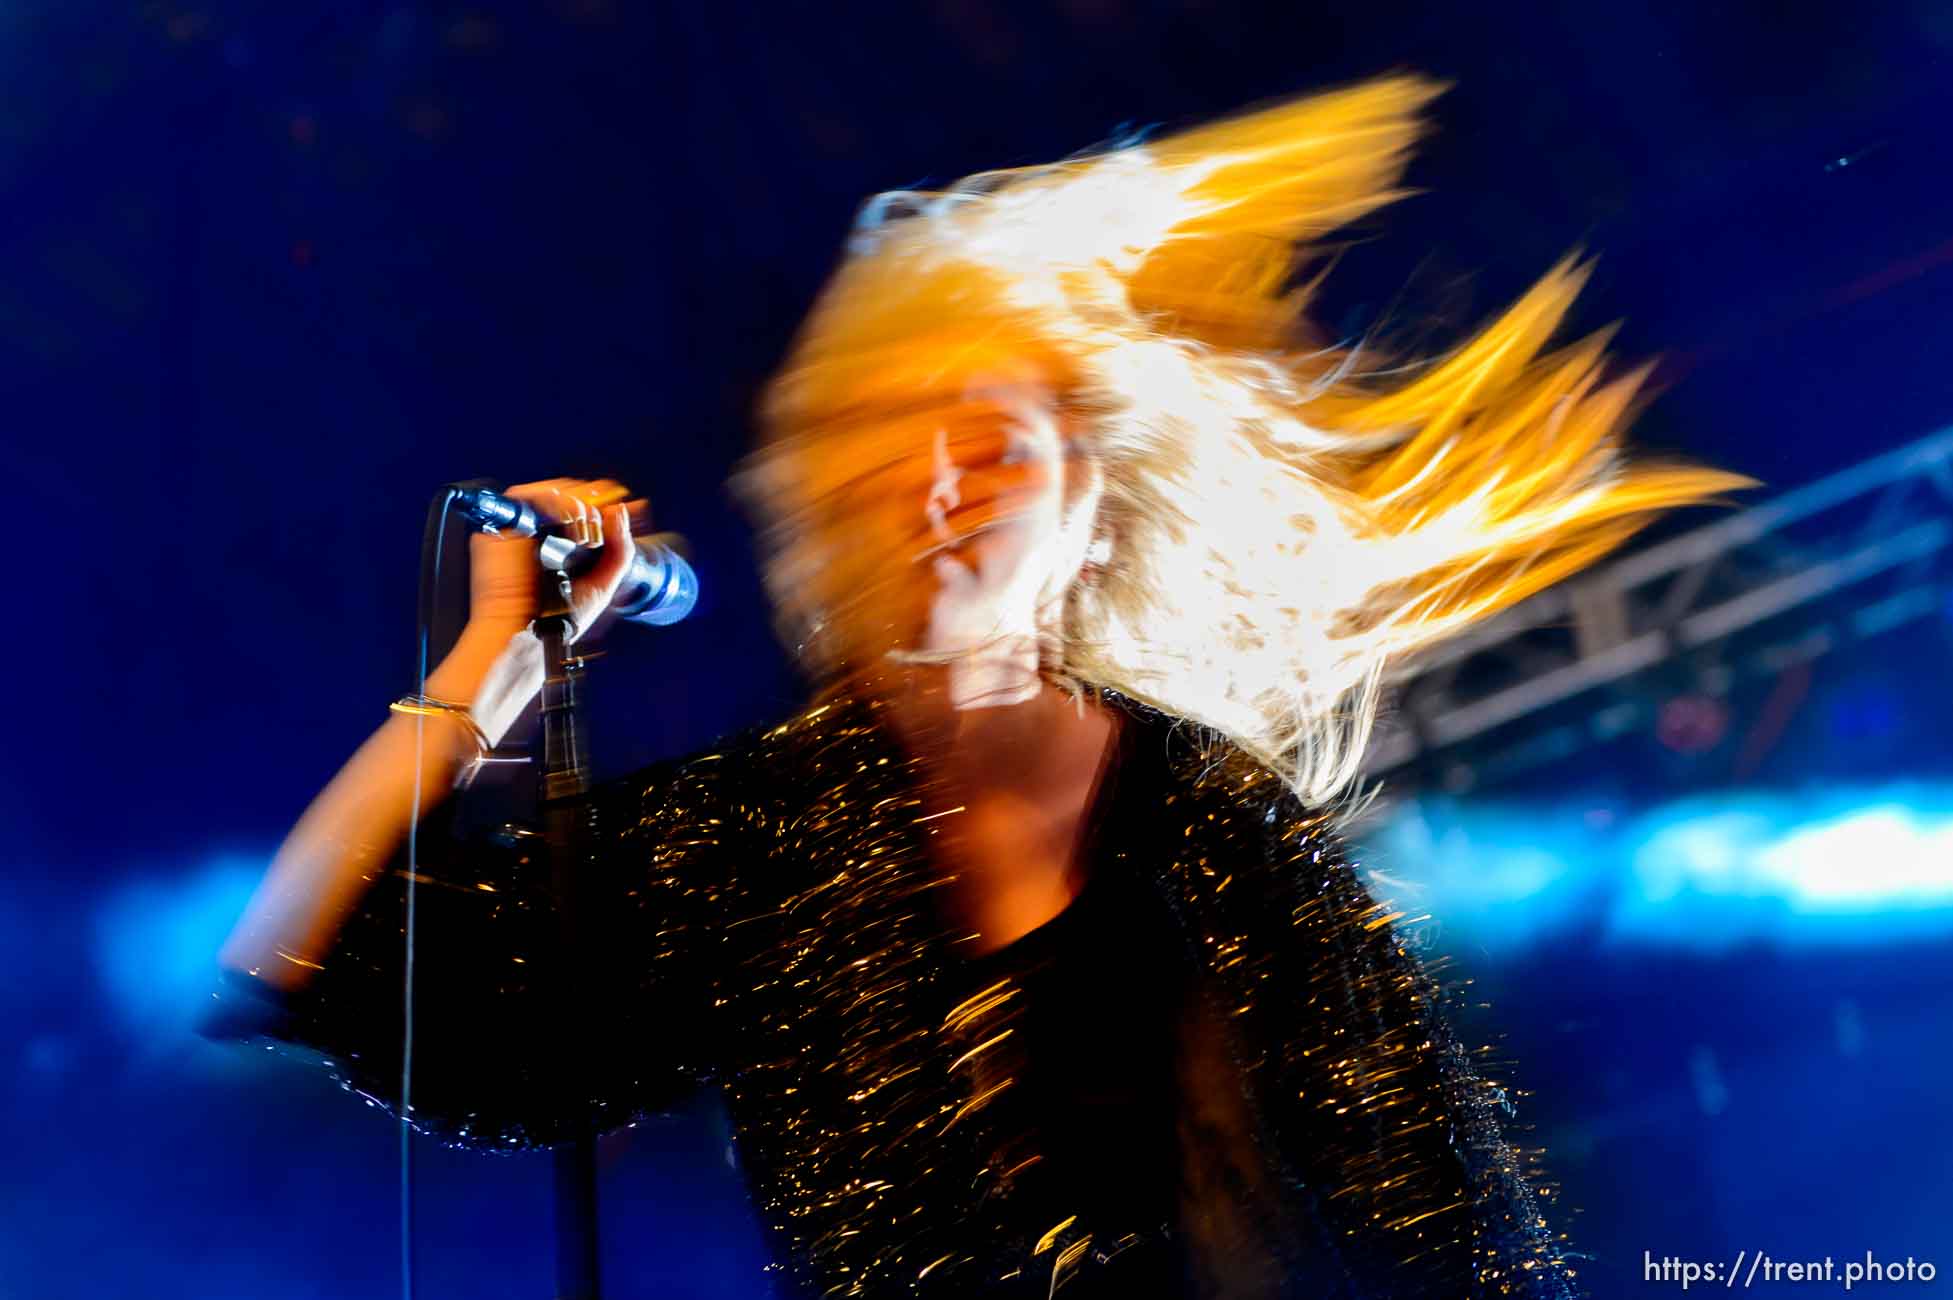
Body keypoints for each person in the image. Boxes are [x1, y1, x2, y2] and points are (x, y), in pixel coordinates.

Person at [213, 75, 1747, 1297]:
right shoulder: (756, 843)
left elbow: (1440, 1236)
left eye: (995, 439)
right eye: (886, 434)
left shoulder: (1217, 823)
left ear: (1089, 509)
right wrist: (501, 660)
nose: (936, 482)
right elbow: (308, 963)